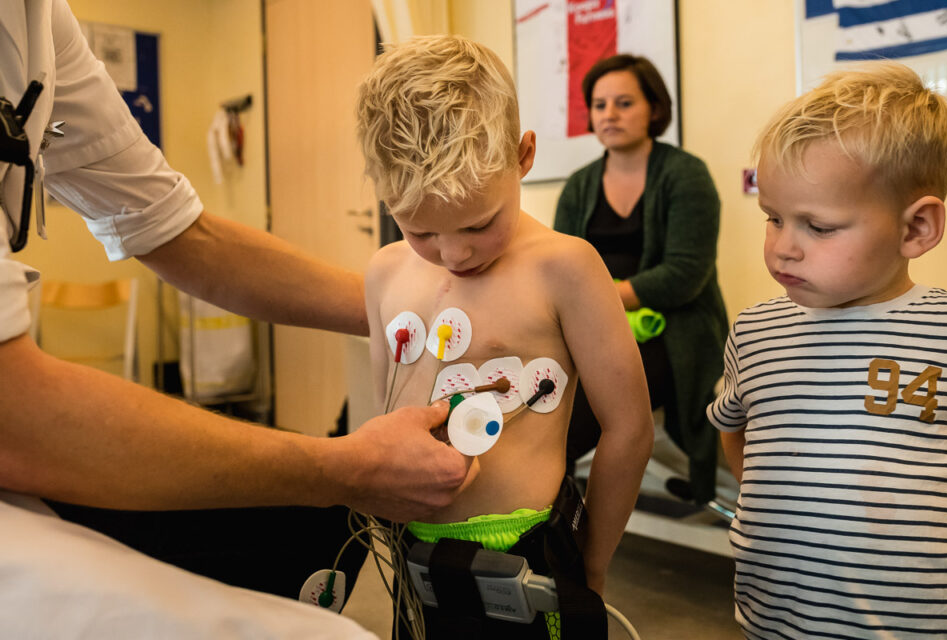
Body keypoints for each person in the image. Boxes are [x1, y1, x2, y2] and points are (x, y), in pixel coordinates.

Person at [0, 2, 472, 635]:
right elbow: (15, 417)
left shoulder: (37, 22)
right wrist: (349, 468)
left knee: (284, 543)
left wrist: (401, 311)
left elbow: (176, 231)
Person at [358, 35, 653, 638]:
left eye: (477, 223)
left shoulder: (565, 267)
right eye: (419, 229)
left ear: (523, 156)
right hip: (413, 556)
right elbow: (387, 410)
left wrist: (590, 563)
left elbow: (629, 426)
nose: (453, 252)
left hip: (525, 556)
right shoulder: (385, 272)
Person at [708, 62, 947, 637]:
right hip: (773, 620)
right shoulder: (754, 332)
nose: (782, 249)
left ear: (916, 228)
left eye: (818, 227)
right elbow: (734, 426)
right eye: (774, 218)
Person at [554, 54, 728, 505]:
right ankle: (550, 508)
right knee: (546, 390)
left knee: (590, 404)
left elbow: (684, 276)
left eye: (624, 102)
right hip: (592, 324)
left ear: (654, 108)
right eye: (599, 105)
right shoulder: (578, 184)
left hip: (675, 330)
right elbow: (559, 266)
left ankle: (560, 519)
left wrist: (597, 301)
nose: (609, 113)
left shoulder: (686, 174)